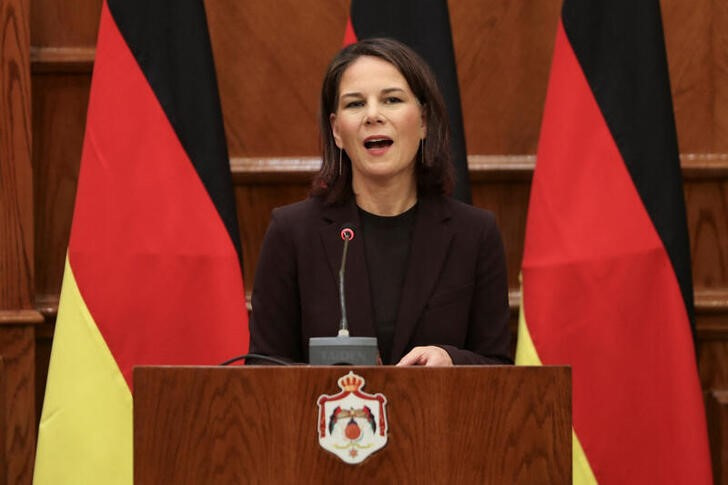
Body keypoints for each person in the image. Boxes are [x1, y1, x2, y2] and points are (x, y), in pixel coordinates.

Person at [248, 38, 511, 366]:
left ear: (425, 120)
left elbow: (500, 368)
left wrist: (452, 362)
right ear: (337, 131)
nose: (373, 115)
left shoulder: (474, 234)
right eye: (355, 104)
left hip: (438, 416)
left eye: (392, 100)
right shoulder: (292, 233)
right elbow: (264, 369)